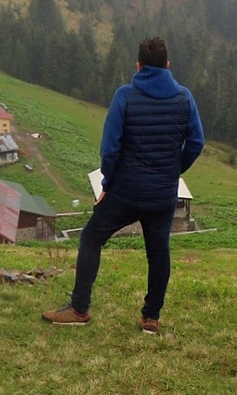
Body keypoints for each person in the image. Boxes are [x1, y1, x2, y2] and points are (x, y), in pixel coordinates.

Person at [43, 36, 204, 333]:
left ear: (138, 65)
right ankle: (150, 318)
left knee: (91, 239)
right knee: (158, 253)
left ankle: (79, 309)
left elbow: (110, 149)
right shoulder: (184, 98)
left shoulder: (125, 96)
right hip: (162, 194)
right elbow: (196, 142)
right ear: (168, 65)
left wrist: (108, 183)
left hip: (125, 192)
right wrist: (172, 171)